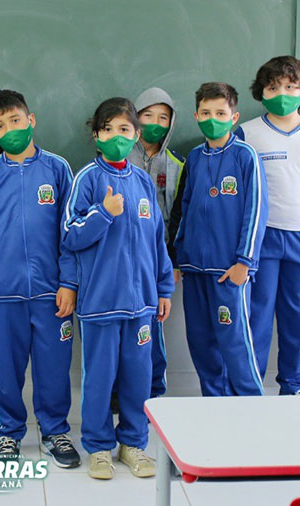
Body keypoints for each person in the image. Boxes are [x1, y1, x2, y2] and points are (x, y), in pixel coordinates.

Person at [0, 90, 80, 468]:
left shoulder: (58, 170)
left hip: (50, 294)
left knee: (54, 368)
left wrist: (69, 282)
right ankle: (8, 431)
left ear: (31, 120)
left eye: (15, 120)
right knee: (5, 372)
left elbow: (70, 233)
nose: (9, 129)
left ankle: (55, 430)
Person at [63, 98, 174, 480]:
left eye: (124, 130)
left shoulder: (143, 182)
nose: (116, 137)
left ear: (136, 135)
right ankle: (98, 447)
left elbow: (157, 241)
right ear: (96, 135)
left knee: (137, 378)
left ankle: (133, 444)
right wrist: (104, 214)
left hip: (141, 303)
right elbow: (70, 236)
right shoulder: (87, 179)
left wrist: (163, 289)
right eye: (107, 129)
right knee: (99, 378)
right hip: (100, 303)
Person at [235, 56, 300, 395]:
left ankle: (294, 388)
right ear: (261, 91)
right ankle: (252, 390)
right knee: (257, 321)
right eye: (273, 86)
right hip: (262, 241)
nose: (283, 93)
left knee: (299, 323)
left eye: (291, 87)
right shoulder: (246, 132)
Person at [174, 82, 267, 398]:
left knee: (235, 344)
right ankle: (214, 407)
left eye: (220, 112)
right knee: (201, 344)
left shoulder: (246, 156)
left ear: (234, 116)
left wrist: (244, 262)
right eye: (205, 112)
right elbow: (183, 208)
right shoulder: (195, 157)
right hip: (194, 269)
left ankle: (253, 410)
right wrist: (178, 258)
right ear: (196, 115)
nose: (212, 118)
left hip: (229, 271)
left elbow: (256, 211)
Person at [128, 87, 185, 399]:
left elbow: (178, 217)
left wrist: (173, 263)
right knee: (121, 330)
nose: (154, 123)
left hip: (157, 262)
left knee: (152, 329)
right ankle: (117, 396)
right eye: (147, 115)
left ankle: (153, 393)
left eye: (163, 117)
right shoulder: (117, 157)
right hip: (120, 261)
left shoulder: (178, 165)